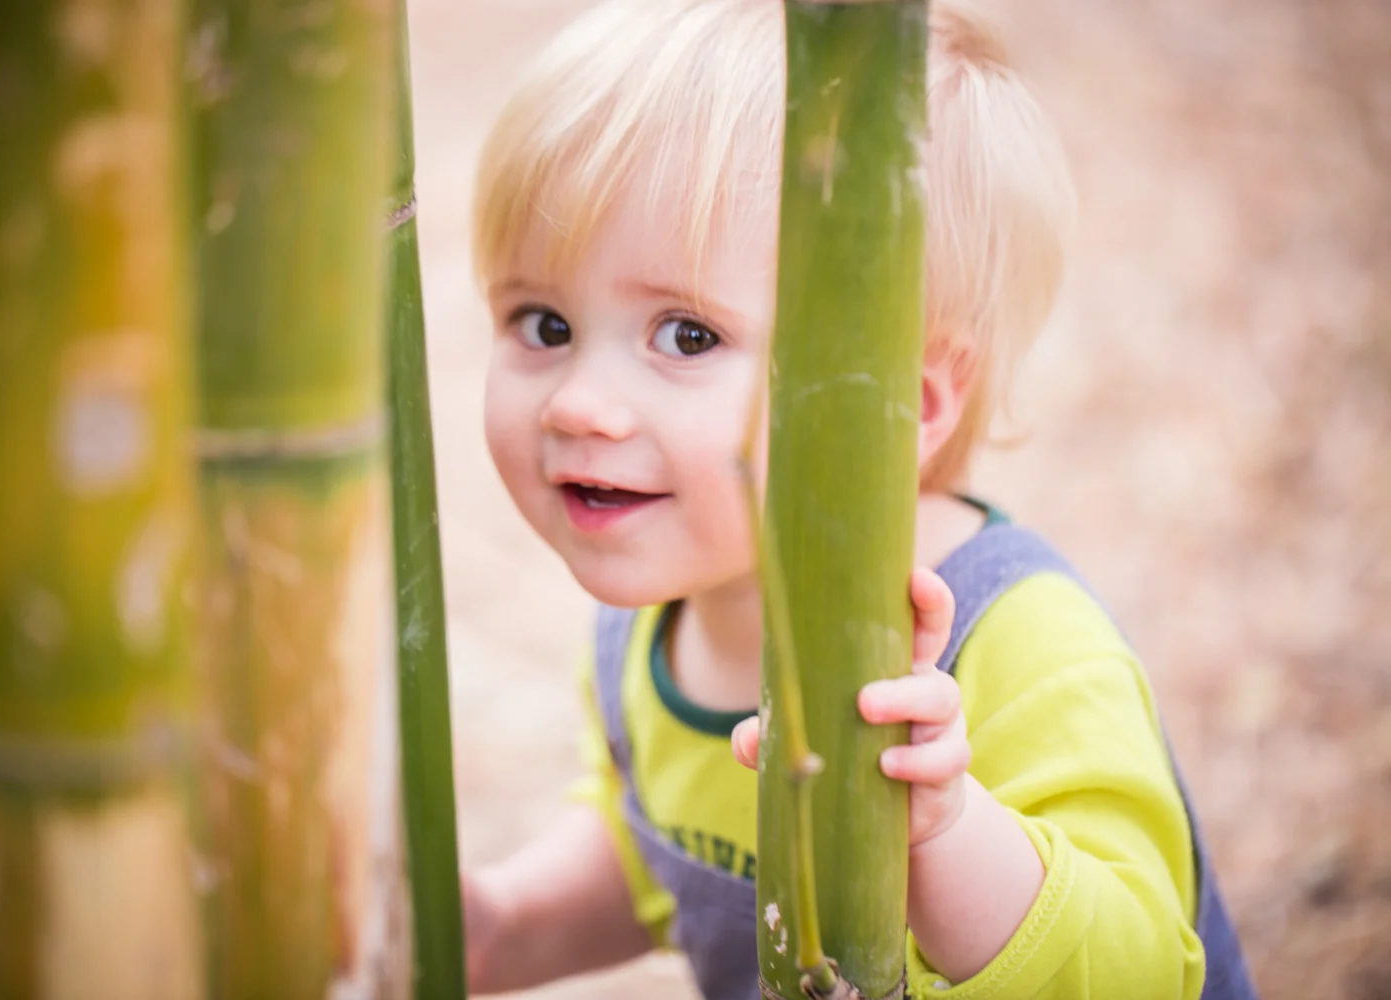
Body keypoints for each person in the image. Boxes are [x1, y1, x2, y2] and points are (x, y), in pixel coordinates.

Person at [460, 1, 1256, 998]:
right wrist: (497, 928)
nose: (578, 402)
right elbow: (662, 850)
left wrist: (951, 831)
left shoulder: (1019, 642)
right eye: (542, 321)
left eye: (688, 336)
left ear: (900, 401)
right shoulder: (644, 633)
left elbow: (1146, 970)